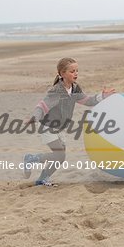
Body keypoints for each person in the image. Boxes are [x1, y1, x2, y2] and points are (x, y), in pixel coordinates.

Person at [23, 57, 115, 186]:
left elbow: (87, 101)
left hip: (60, 128)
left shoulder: (75, 89)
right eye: (72, 71)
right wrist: (35, 117)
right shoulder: (56, 91)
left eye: (77, 70)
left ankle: (41, 178)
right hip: (47, 126)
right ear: (62, 73)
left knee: (59, 158)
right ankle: (31, 159)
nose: (76, 73)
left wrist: (102, 96)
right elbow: (42, 106)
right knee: (59, 155)